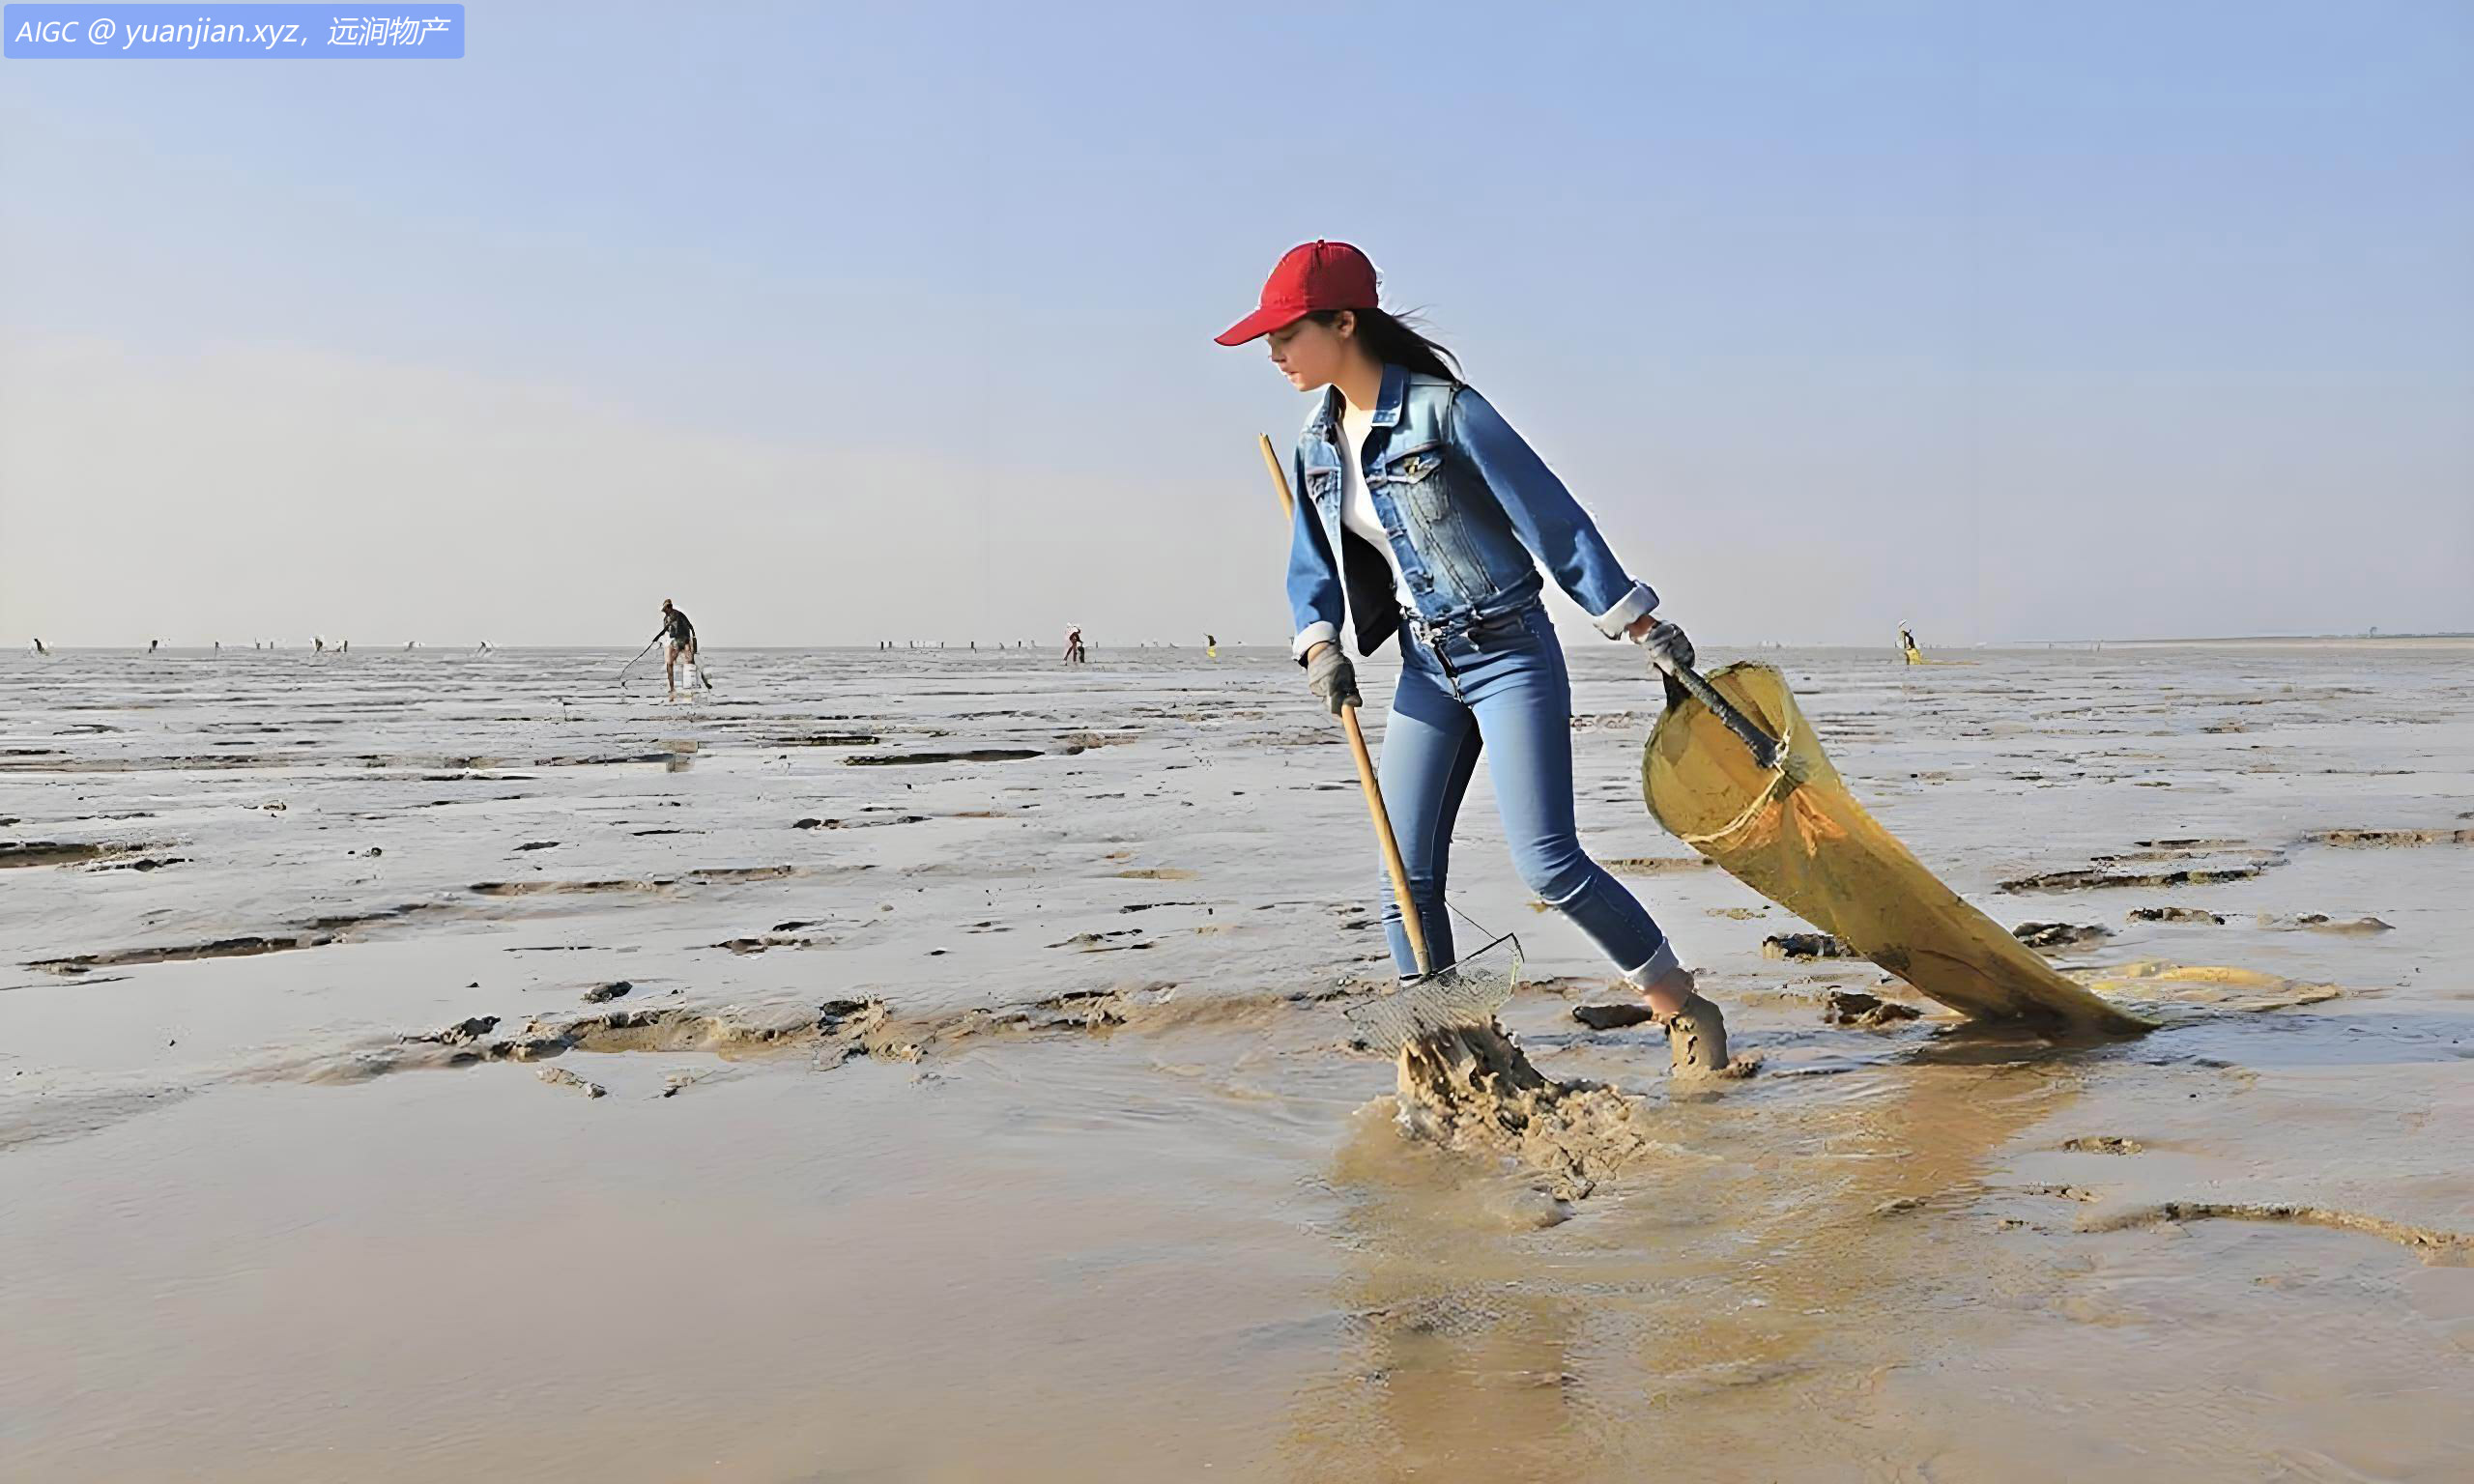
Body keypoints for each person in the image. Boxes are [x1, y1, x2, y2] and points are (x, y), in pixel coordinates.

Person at [1215, 240, 1727, 1072]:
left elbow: (1551, 521)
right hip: (1424, 666)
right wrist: (1319, 643)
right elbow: (1311, 561)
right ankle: (1455, 1043)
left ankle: (1681, 1006)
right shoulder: (1314, 444)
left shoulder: (1447, 412)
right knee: (1402, 878)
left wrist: (1637, 622)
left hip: (1509, 648)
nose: (1272, 353)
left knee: (1549, 863)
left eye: (1286, 334)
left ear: (1344, 322)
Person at [658, 600, 699, 698]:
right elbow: (667, 630)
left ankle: (692, 687)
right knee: (669, 663)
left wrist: (693, 638)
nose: (666, 611)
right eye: (665, 610)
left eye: (666, 608)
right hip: (677, 641)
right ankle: (672, 688)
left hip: (684, 640)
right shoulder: (666, 619)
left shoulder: (677, 614)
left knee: (690, 663)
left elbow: (689, 626)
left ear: (669, 607)